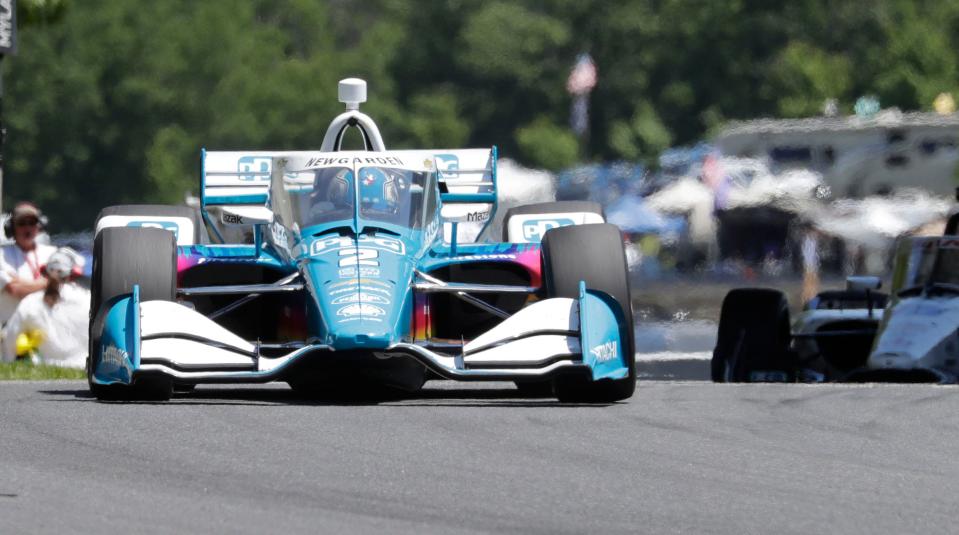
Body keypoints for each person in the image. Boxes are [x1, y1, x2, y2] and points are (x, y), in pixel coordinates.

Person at [2, 248, 90, 367]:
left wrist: (8, 360)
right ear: (74, 274)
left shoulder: (30, 302)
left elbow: (10, 340)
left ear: (46, 272)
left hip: (46, 368)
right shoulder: (88, 300)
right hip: (84, 366)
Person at [0, 202, 56, 325]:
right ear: (11, 228)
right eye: (22, 224)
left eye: (32, 223)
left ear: (39, 226)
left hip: (46, 327)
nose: (27, 228)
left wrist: (18, 280)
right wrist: (48, 281)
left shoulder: (51, 253)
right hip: (12, 329)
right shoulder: (2, 255)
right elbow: (15, 289)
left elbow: (59, 289)